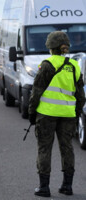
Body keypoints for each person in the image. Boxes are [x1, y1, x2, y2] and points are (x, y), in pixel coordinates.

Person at [28, 31, 85, 197]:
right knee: (67, 148)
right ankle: (67, 186)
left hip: (46, 114)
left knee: (44, 149)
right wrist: (75, 111)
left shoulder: (47, 64)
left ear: (51, 48)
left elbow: (36, 93)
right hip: (67, 115)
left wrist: (32, 113)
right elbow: (81, 96)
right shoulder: (74, 66)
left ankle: (44, 188)